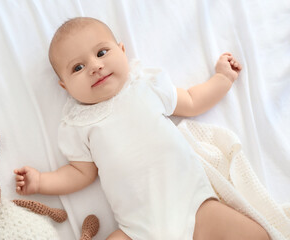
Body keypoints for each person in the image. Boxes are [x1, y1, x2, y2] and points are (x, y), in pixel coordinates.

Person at [14, 17, 270, 240]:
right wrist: (41, 181)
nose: (94, 66)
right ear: (65, 86)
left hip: (193, 206)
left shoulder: (145, 85)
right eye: (77, 68)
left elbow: (192, 101)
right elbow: (80, 172)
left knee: (257, 235)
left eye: (101, 52)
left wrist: (222, 79)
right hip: (138, 230)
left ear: (122, 50)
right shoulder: (78, 124)